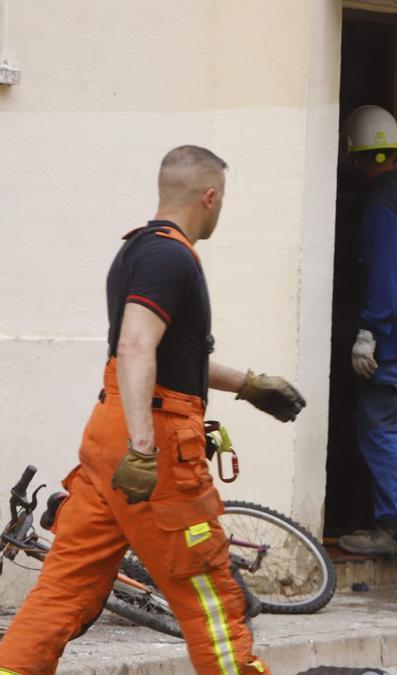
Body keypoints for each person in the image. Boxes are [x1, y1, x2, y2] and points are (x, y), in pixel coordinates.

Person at [0, 146, 306, 675]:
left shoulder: (137, 251)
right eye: (223, 199)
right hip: (154, 443)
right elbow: (136, 348)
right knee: (207, 589)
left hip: (110, 437)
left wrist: (248, 385)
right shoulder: (171, 257)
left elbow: (160, 356)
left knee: (65, 587)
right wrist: (144, 447)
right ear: (209, 197)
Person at [337, 105, 397, 558]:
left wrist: (368, 332)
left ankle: (394, 528)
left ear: (358, 154)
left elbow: (384, 276)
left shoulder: (380, 205)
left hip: (391, 340)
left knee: (381, 433)